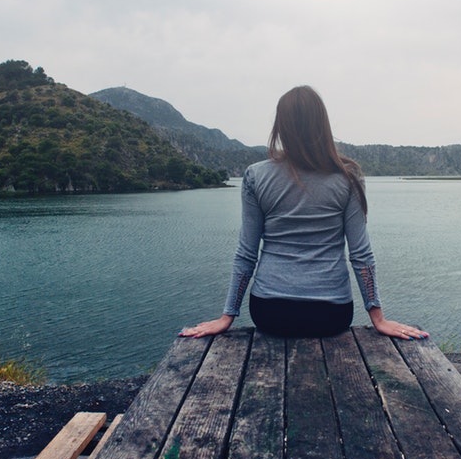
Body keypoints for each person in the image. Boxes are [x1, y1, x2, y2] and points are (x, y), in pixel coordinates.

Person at [180, 86, 429, 341]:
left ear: (281, 126)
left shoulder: (256, 176)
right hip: (332, 315)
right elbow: (361, 254)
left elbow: (246, 253)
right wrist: (378, 318)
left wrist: (227, 316)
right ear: (322, 124)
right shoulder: (349, 178)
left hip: (269, 312)